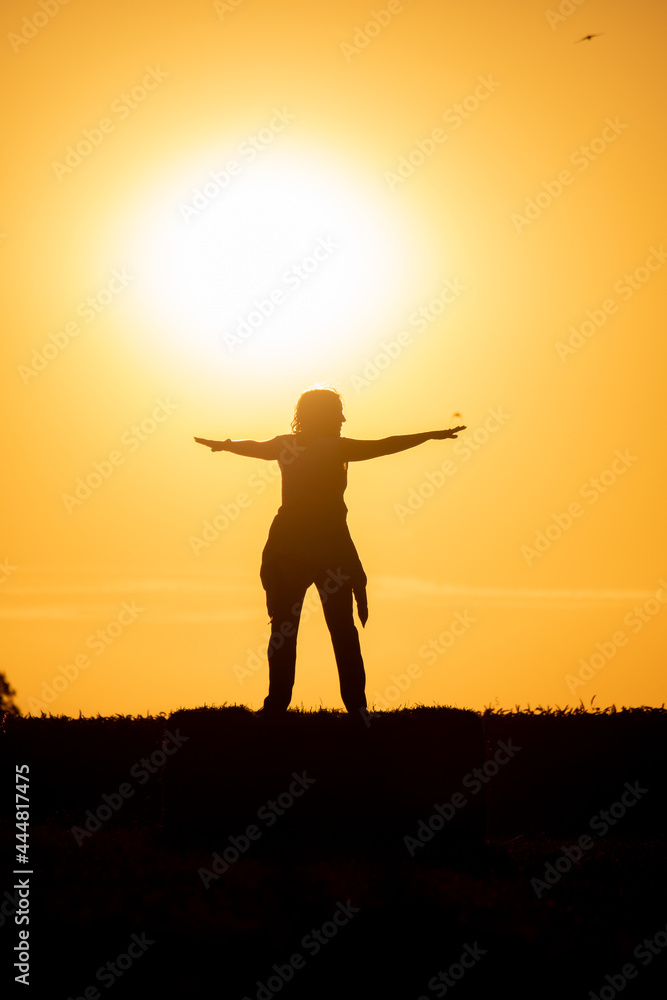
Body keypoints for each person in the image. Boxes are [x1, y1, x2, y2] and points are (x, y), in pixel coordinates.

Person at [195, 386, 465, 717]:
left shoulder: (290, 446)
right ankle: (340, 708)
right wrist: (430, 435)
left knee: (299, 629)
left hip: (307, 546)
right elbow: (385, 445)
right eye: (337, 413)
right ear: (320, 415)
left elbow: (257, 447)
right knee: (330, 629)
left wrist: (227, 446)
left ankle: (294, 706)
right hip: (313, 547)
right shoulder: (327, 448)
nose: (342, 419)